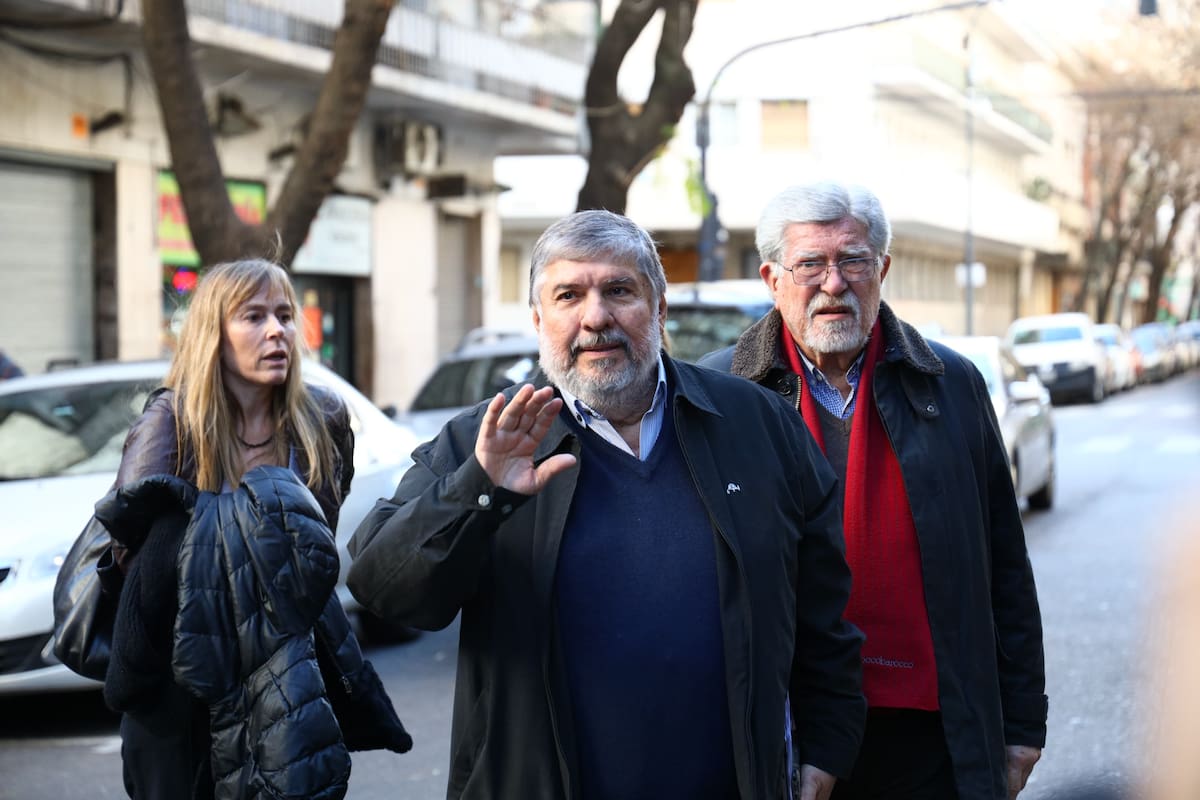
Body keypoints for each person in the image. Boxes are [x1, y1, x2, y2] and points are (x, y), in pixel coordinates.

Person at [347, 209, 867, 800]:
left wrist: (826, 747)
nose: (596, 317)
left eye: (619, 290)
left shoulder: (758, 425)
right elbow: (383, 587)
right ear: (540, 319)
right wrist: (479, 489)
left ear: (660, 308)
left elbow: (824, 614)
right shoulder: (484, 441)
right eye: (569, 295)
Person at [700, 180, 1047, 800]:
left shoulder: (951, 383)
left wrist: (1023, 722)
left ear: (882, 269)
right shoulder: (718, 394)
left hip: (930, 728)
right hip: (789, 722)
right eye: (810, 263)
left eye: (853, 260)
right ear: (772, 279)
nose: (833, 283)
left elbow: (1005, 565)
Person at [53, 259, 410, 800]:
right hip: (180, 683)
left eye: (286, 316)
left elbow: (312, 550)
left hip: (282, 673)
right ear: (212, 335)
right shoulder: (171, 421)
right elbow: (138, 559)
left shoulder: (321, 418)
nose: (277, 331)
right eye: (253, 316)